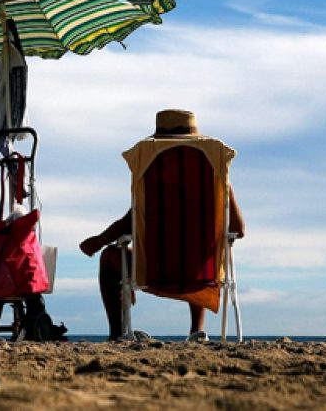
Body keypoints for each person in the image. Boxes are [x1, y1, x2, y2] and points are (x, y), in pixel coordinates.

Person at [78, 109, 245, 341]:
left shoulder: (151, 175)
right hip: (201, 272)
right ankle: (197, 331)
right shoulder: (215, 178)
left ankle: (117, 334)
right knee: (197, 250)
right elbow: (239, 229)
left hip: (153, 269)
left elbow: (130, 222)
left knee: (109, 257)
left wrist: (99, 241)